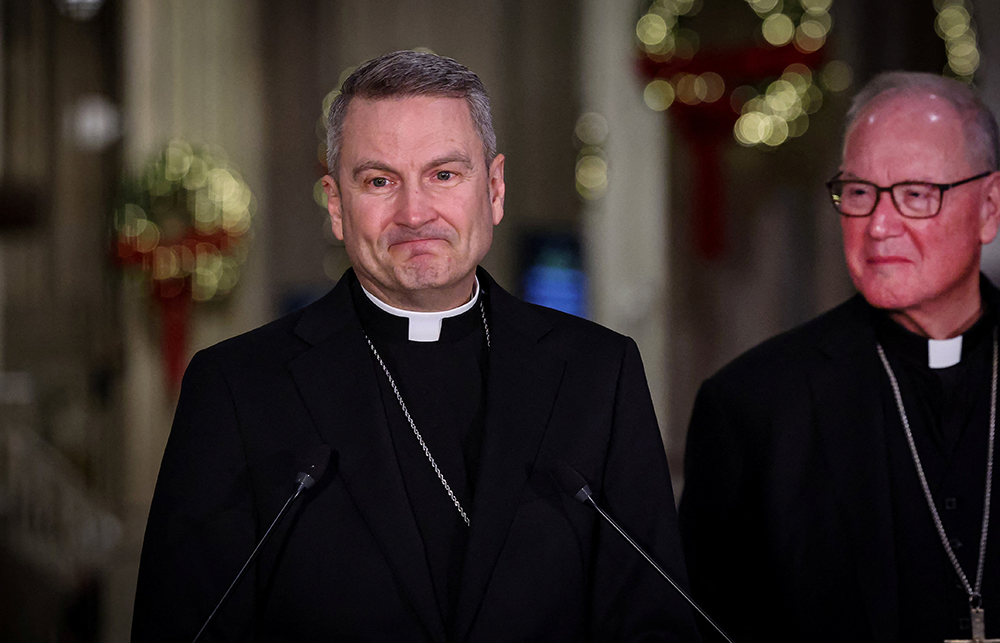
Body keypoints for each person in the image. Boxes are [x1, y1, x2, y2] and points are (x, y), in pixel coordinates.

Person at [132, 50, 699, 642]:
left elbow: (652, 623)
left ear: (495, 189)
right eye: (379, 181)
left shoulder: (597, 375)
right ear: (336, 205)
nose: (414, 212)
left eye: (444, 175)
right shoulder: (238, 388)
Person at [680, 71, 1000, 643]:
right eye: (858, 193)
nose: (878, 225)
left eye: (916, 194)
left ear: (990, 208)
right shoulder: (753, 409)